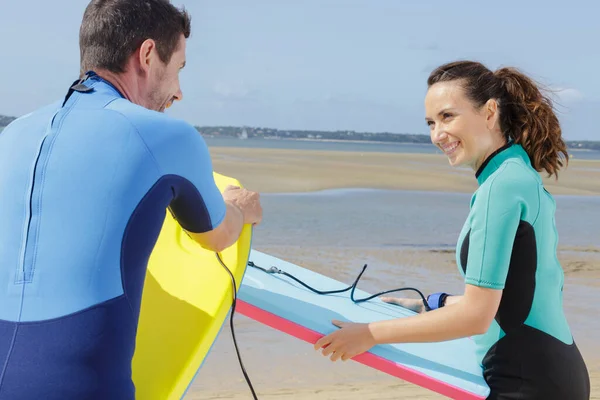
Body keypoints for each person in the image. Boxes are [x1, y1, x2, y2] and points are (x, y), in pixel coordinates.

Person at [0, 1, 262, 399]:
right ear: (146, 55)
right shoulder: (166, 137)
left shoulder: (13, 134)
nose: (179, 92)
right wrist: (241, 207)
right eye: (178, 69)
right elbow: (217, 235)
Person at [314, 60, 591, 399]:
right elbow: (523, 293)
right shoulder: (519, 173)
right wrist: (432, 304)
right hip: (552, 371)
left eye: (448, 117)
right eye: (431, 122)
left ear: (489, 112)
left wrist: (370, 333)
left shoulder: (500, 188)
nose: (436, 134)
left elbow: (477, 317)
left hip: (526, 381)